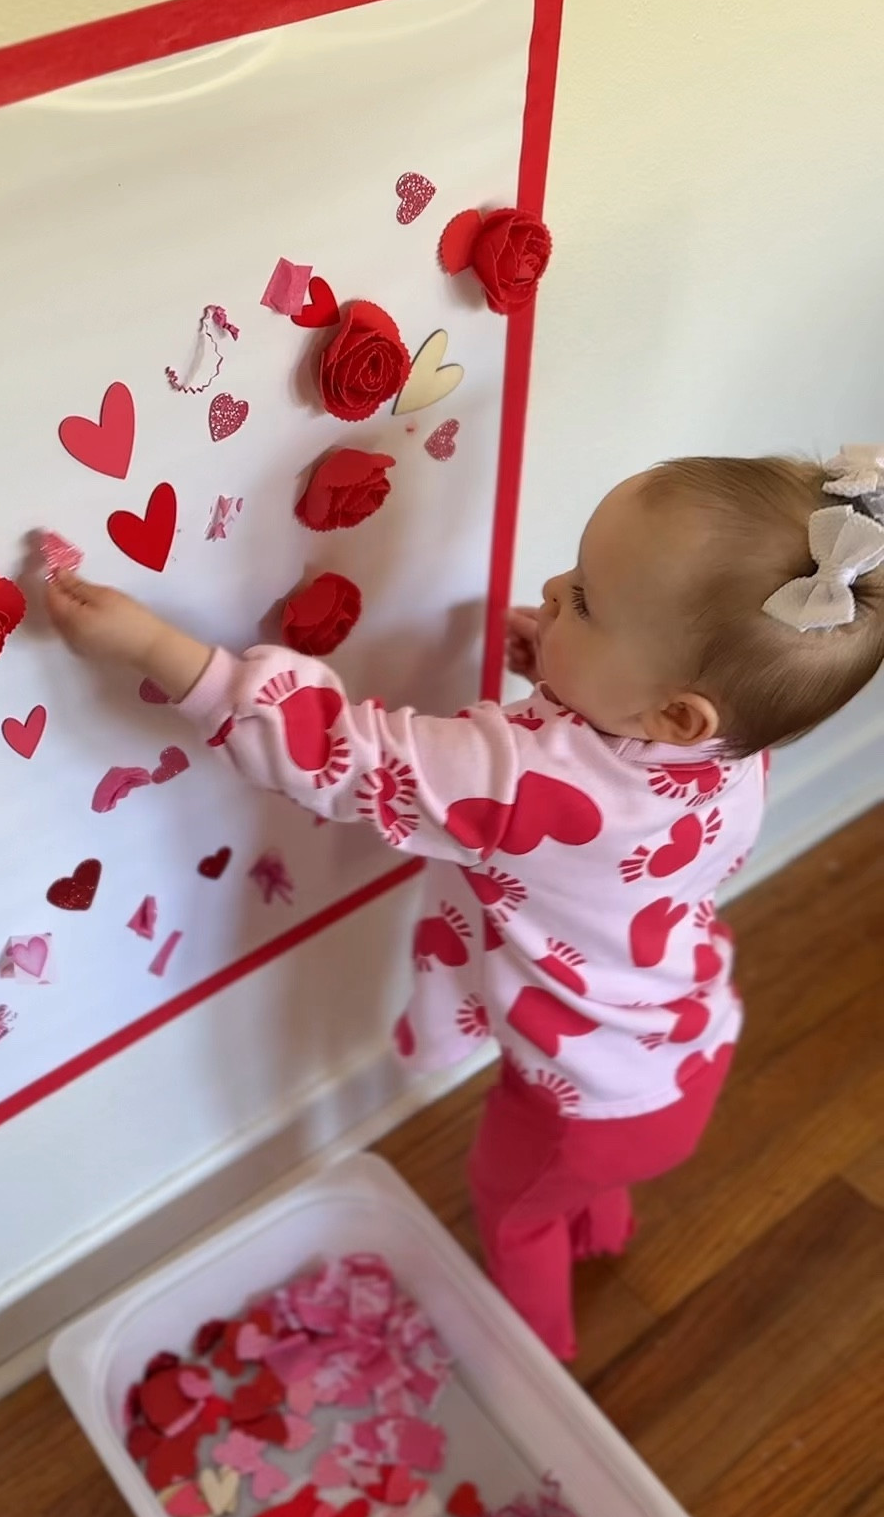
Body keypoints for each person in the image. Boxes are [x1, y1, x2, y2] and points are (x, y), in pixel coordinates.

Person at [47, 448, 884, 1359]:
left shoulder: (520, 782)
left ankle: (539, 1355)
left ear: (675, 714)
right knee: (575, 1193)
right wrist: (565, 675)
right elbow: (604, 784)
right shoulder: (732, 754)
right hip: (684, 1047)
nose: (556, 587)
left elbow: (340, 753)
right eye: (577, 571)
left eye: (589, 603)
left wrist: (158, 652)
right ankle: (602, 1229)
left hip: (578, 1106)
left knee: (514, 1208)